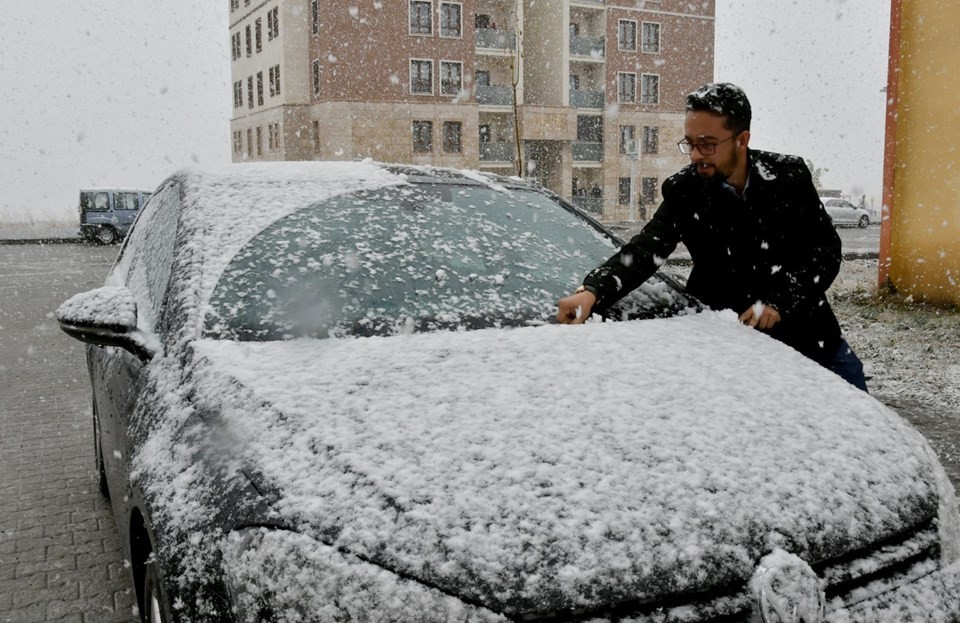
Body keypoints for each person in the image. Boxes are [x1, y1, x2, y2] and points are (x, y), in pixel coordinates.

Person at [556, 82, 868, 391]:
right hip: (726, 336)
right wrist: (594, 291)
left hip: (807, 331)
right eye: (689, 143)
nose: (695, 155)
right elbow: (645, 249)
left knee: (858, 415)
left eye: (707, 144)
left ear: (741, 139)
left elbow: (825, 251)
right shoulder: (685, 191)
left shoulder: (789, 177)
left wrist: (778, 303)